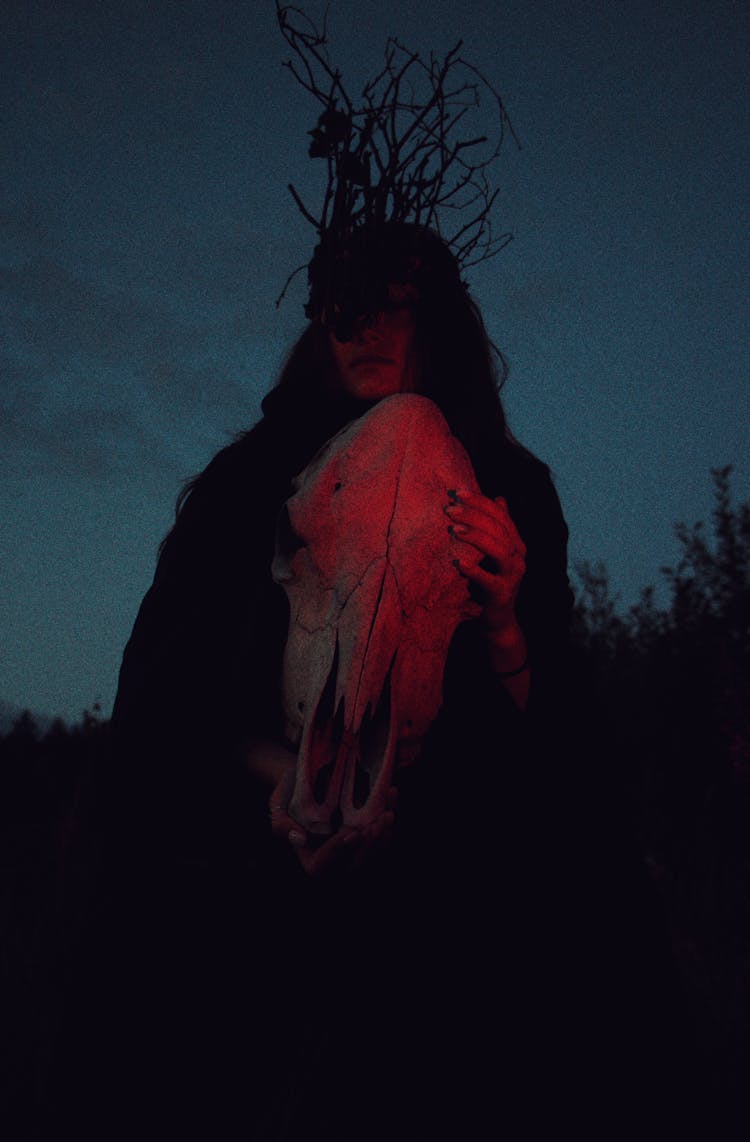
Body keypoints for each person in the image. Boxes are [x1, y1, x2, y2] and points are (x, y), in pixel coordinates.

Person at [42, 224, 694, 1141]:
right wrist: (295, 788)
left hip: (455, 896)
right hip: (250, 880)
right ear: (318, 322)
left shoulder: (509, 488)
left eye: (396, 307)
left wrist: (504, 616)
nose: (368, 330)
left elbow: (552, 727)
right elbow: (173, 694)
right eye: (344, 310)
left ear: (435, 321)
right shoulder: (247, 489)